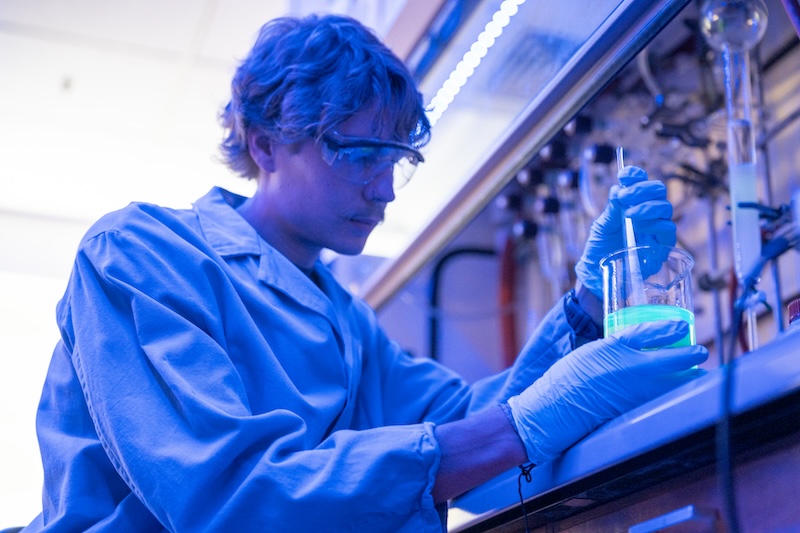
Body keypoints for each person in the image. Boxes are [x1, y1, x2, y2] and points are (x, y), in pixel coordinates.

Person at [21, 14, 707, 533]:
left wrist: (585, 309)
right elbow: (229, 495)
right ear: (264, 142)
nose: (384, 191)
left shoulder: (344, 319)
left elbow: (466, 426)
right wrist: (525, 423)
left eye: (396, 160)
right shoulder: (141, 255)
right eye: (359, 155)